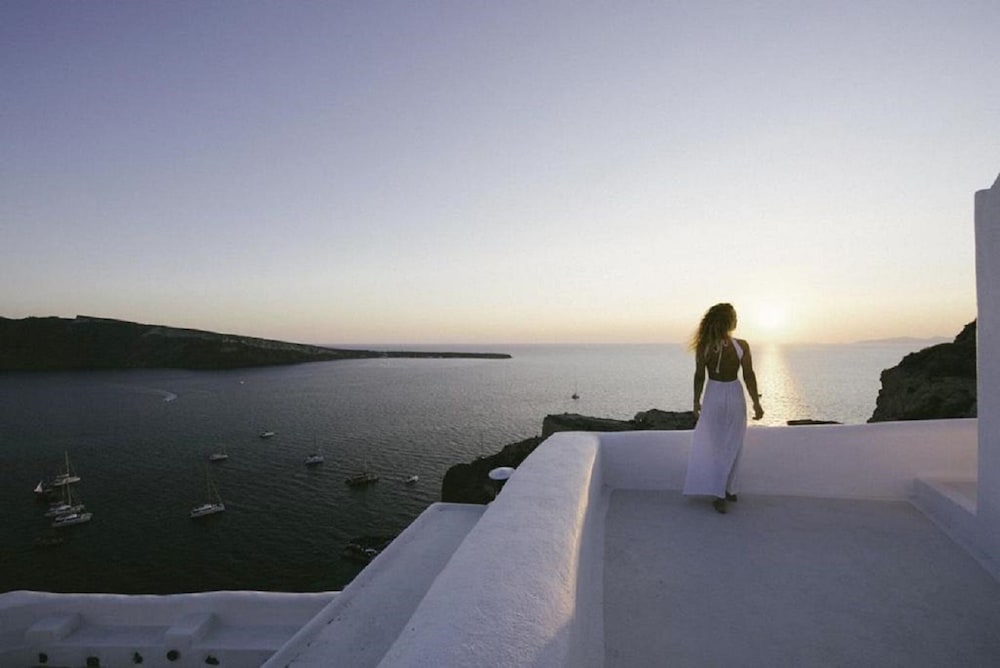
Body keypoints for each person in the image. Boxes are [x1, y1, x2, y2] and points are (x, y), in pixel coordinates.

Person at [682, 303, 764, 514]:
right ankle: (725, 491)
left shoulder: (704, 346)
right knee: (733, 443)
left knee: (716, 444)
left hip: (713, 395)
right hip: (734, 393)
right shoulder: (741, 345)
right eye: (735, 316)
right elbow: (748, 375)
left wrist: (696, 402)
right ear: (728, 321)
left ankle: (723, 490)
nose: (737, 320)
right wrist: (756, 403)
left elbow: (699, 376)